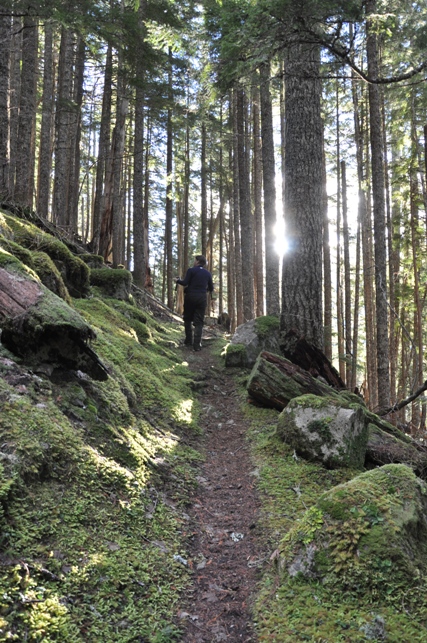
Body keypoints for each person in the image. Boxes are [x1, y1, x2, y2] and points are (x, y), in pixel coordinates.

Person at [176, 255, 213, 351]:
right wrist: (204, 290)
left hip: (190, 297)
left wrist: (178, 280)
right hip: (202, 298)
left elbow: (185, 283)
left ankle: (188, 341)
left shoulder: (191, 270)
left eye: (194, 260)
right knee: (199, 321)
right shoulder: (207, 273)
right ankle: (197, 345)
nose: (193, 261)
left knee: (187, 318)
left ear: (197, 261)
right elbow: (211, 288)